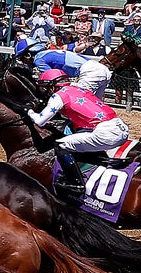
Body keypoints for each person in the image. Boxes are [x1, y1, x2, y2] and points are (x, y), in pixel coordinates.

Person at [27, 69, 132, 200]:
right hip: (120, 127)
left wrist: (29, 111)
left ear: (53, 86)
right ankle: (100, 160)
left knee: (60, 145)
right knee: (79, 135)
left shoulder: (58, 96)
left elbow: (40, 121)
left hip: (106, 133)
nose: (46, 91)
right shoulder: (79, 88)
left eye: (46, 88)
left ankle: (76, 183)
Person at [32, 43, 112, 97]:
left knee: (82, 98)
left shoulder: (38, 59)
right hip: (100, 68)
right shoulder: (51, 52)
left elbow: (51, 77)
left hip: (90, 71)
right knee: (97, 102)